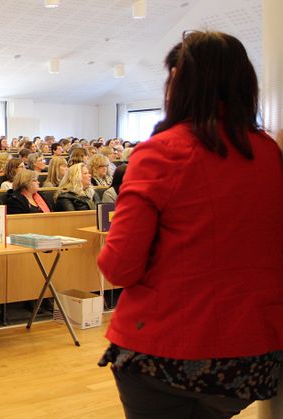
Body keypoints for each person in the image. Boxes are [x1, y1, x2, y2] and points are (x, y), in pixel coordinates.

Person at [97, 31, 283, 418]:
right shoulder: (270, 154)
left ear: (178, 82)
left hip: (168, 348)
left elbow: (119, 267)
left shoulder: (160, 153)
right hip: (252, 353)